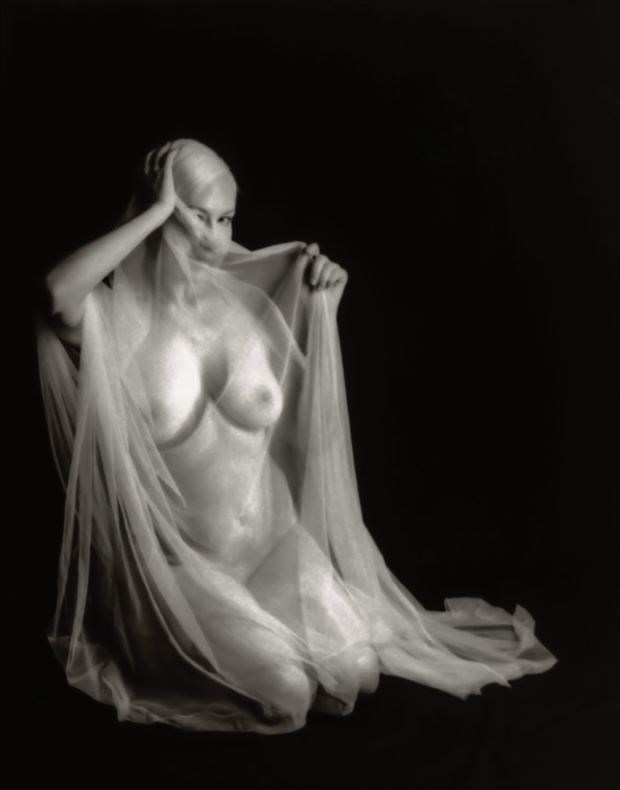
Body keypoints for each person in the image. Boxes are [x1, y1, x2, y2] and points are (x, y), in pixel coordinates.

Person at [35, 138, 559, 734]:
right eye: (196, 216)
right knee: (287, 695)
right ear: (153, 209)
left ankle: (273, 635)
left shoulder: (248, 301)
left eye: (225, 218)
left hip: (274, 547)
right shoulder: (113, 321)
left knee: (358, 673)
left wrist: (323, 313)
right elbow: (56, 293)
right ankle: (237, 646)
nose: (213, 238)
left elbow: (308, 437)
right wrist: (156, 211)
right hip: (187, 572)